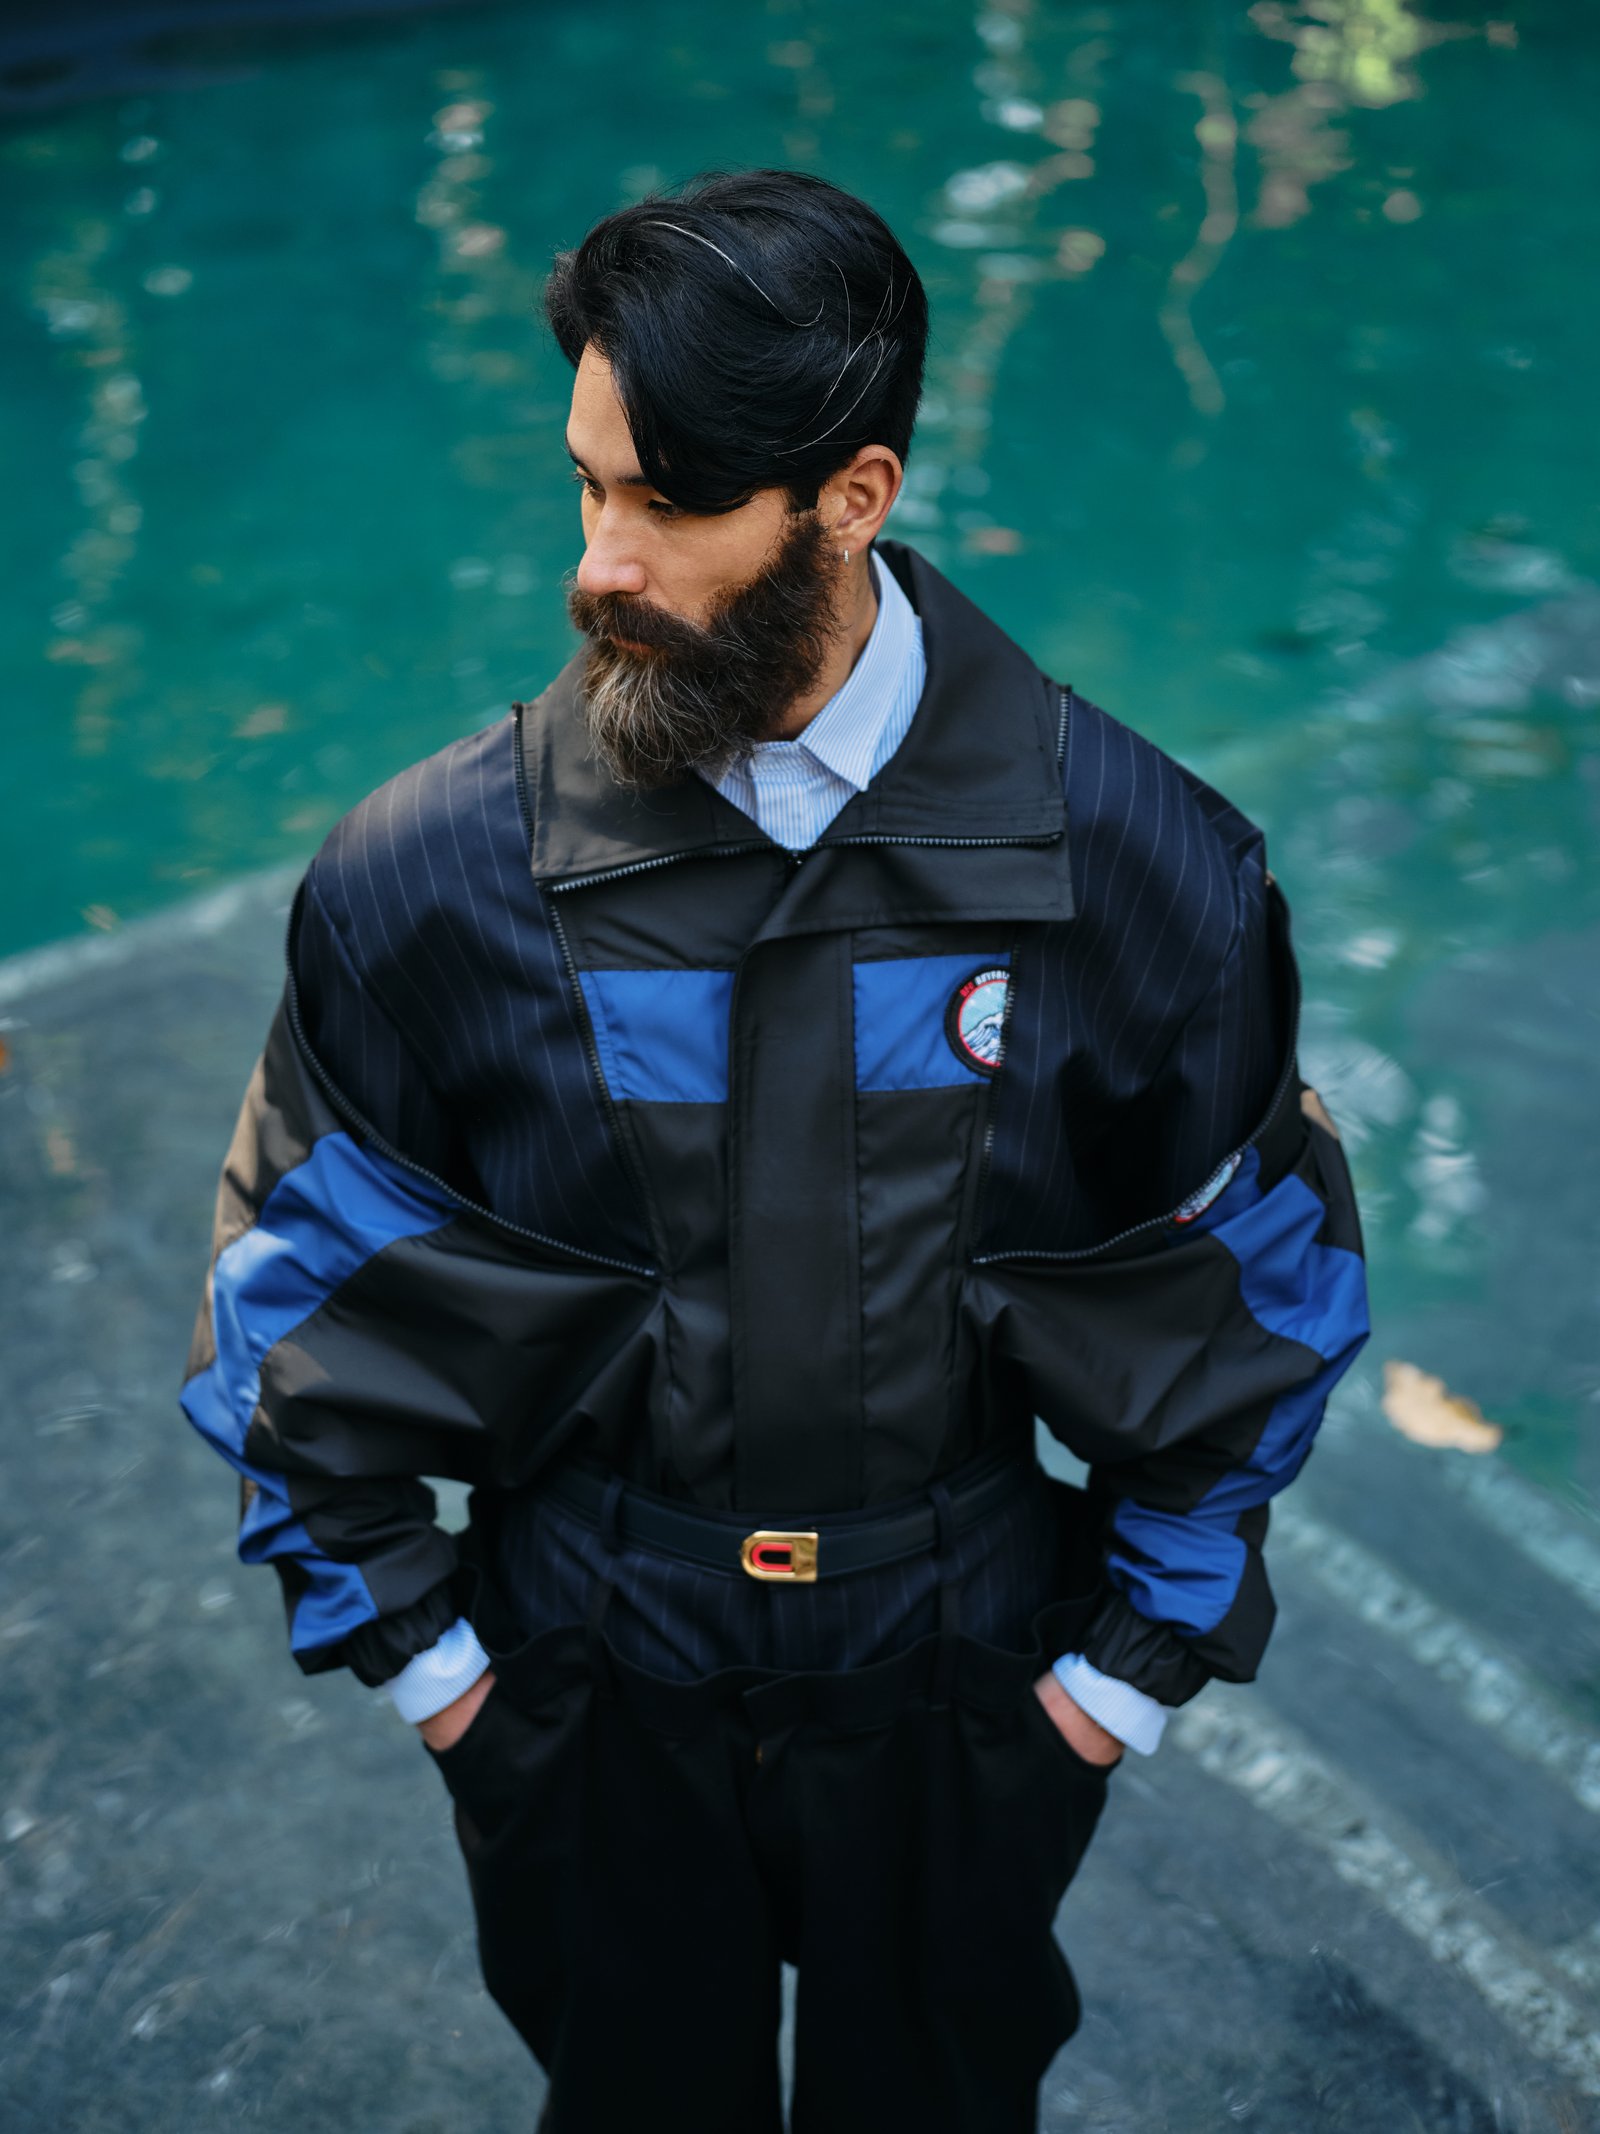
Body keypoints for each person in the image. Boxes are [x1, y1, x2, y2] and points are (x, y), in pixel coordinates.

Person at [180, 167, 1369, 2131]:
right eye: (586, 487)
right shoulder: (426, 879)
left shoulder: (1148, 872)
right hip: (584, 1670)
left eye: (668, 503)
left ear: (851, 496)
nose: (601, 563)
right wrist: (443, 1677)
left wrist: (1108, 1687)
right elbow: (286, 1296)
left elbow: (1261, 1290)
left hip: (967, 1673)